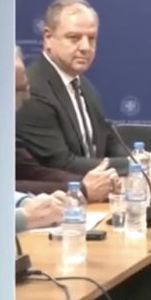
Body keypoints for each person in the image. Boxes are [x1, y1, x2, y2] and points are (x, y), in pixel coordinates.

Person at [16, 0, 133, 175]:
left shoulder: (84, 86)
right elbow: (60, 163)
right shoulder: (32, 89)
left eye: (91, 38)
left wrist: (138, 158)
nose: (86, 47)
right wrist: (131, 165)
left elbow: (109, 141)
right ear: (48, 38)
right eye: (74, 38)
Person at [14, 45, 120, 201]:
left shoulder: (86, 87)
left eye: (26, 88)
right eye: (20, 89)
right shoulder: (39, 91)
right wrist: (81, 189)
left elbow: (30, 170)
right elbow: (4, 187)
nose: (27, 97)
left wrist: (87, 183)